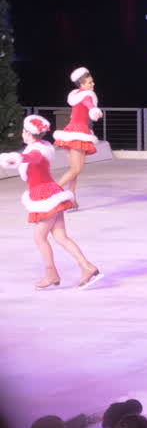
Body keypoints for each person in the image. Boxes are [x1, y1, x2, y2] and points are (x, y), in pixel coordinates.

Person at [1, 115, 102, 290]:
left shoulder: (37, 150)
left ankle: (52, 274)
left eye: (24, 131)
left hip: (44, 197)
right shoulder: (41, 146)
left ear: (29, 133)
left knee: (39, 237)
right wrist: (18, 158)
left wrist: (17, 158)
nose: (22, 134)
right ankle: (87, 266)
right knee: (60, 237)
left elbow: (31, 158)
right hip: (52, 192)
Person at [53, 67, 103, 205]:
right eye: (89, 83)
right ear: (82, 84)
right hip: (78, 132)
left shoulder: (78, 94)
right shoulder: (86, 95)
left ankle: (72, 198)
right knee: (76, 169)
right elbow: (88, 104)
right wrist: (94, 110)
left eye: (92, 82)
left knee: (74, 169)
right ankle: (52, 192)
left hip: (73, 130)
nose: (93, 84)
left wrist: (92, 109)